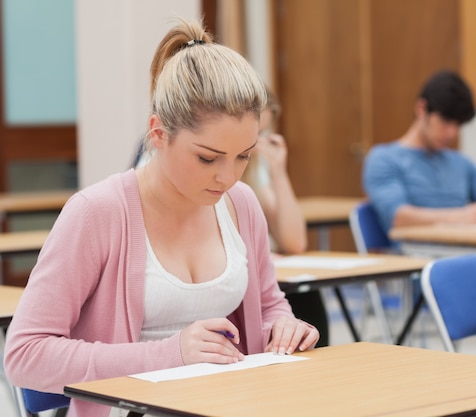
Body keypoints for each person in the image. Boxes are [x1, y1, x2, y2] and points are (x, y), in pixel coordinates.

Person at [4, 19, 319, 417]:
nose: (228, 176)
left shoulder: (241, 204)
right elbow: (24, 355)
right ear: (158, 133)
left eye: (244, 156)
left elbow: (271, 304)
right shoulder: (97, 213)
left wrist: (284, 327)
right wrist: (169, 354)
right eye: (207, 157)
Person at [362, 70, 476, 234]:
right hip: (417, 253)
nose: (451, 133)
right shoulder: (384, 159)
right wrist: (461, 217)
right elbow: (397, 217)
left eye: (457, 125)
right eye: (445, 121)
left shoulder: (461, 163)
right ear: (421, 108)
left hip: (461, 248)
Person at [240, 89, 330, 346]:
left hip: (263, 279)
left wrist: (279, 171)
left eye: (261, 134)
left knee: (306, 295)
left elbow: (294, 242)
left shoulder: (253, 170)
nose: (255, 144)